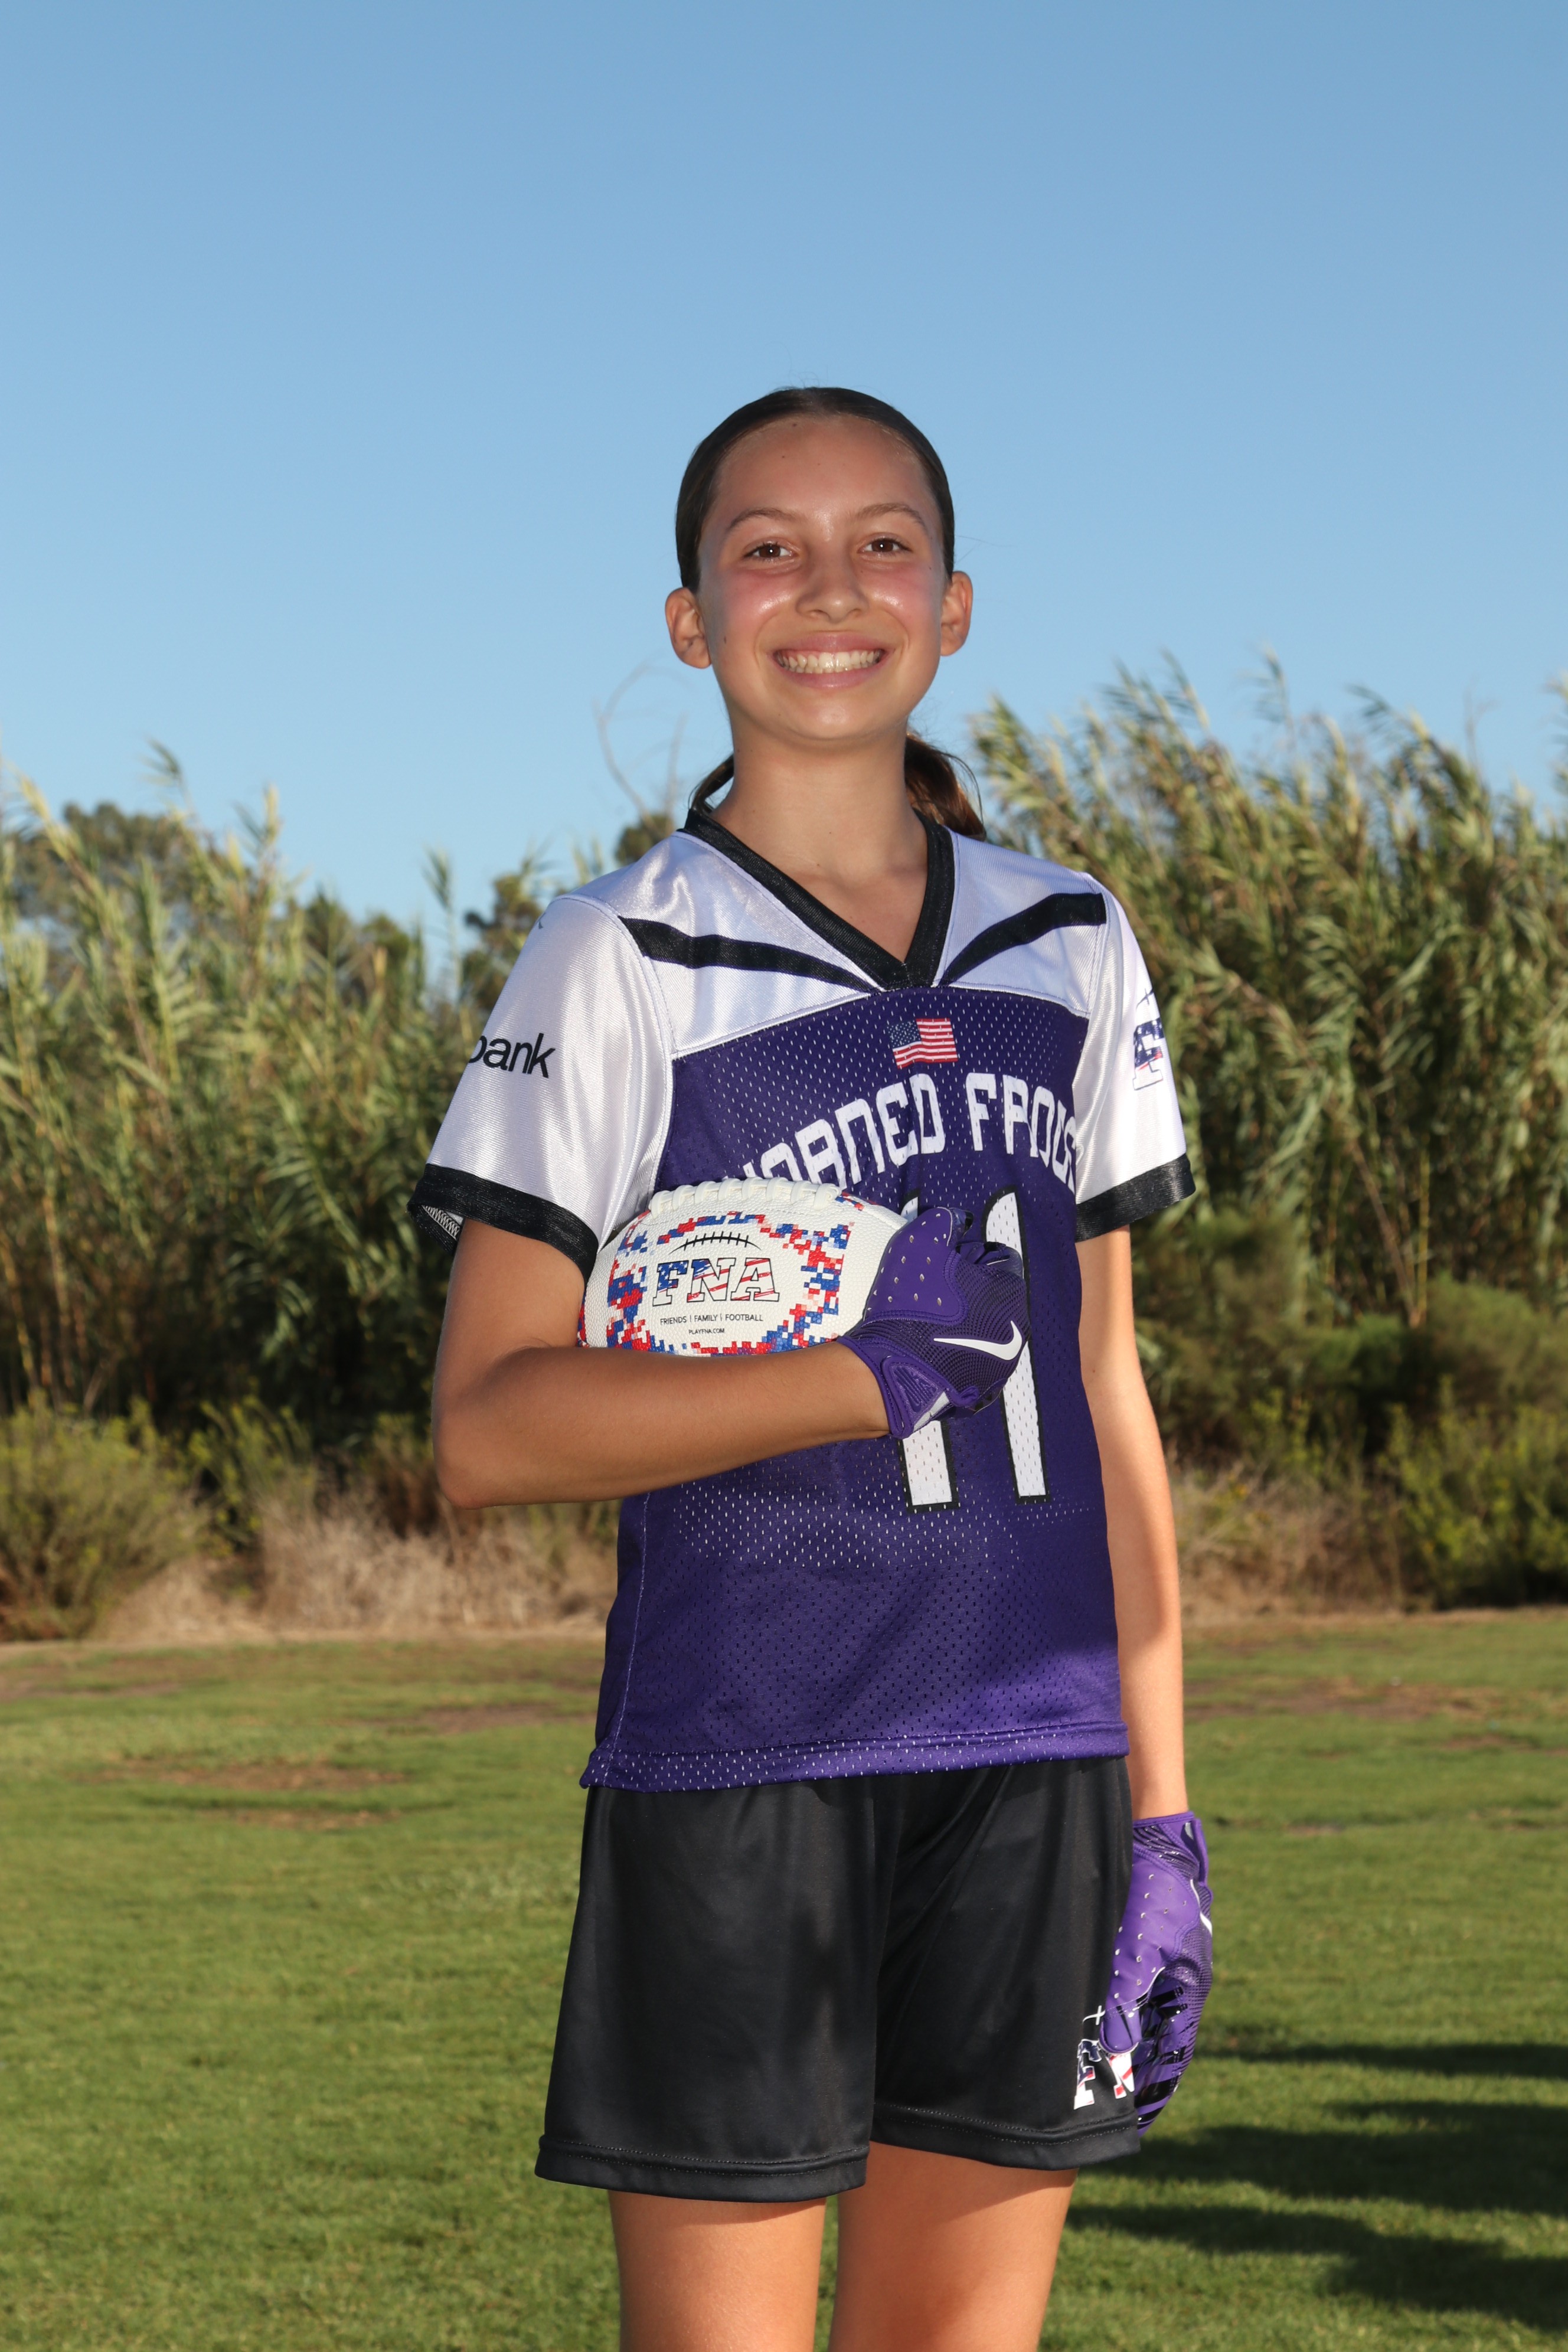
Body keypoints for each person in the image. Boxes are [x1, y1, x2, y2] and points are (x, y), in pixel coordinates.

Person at [413, 387, 1201, 2352]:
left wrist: (1164, 1811)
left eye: (883, 545)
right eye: (768, 548)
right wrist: (857, 1377)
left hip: (1034, 1762)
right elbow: (489, 1430)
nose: (830, 587)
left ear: (954, 604)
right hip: (745, 1751)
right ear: (693, 620)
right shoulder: (620, 954)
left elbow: (1106, 1392)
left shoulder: (1072, 939)